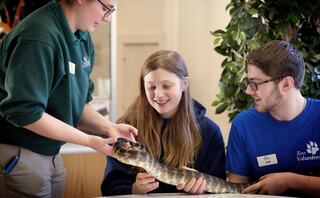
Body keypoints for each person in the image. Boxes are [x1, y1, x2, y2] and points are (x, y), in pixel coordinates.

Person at [0, 0, 137, 197]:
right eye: (105, 8)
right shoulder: (39, 36)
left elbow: (77, 103)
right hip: (21, 152)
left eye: (112, 11)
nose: (107, 19)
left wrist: (108, 127)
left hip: (52, 153)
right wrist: (89, 140)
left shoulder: (82, 35)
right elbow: (25, 113)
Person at [101, 50, 226, 195]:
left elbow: (220, 189)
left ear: (184, 83)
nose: (158, 94)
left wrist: (202, 189)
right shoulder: (126, 129)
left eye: (167, 86)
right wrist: (133, 189)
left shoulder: (209, 131)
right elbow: (109, 189)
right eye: (151, 87)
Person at [225, 40, 320, 197]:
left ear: (286, 84)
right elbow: (236, 192)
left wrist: (289, 181)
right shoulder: (243, 125)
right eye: (249, 83)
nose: (248, 90)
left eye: (256, 83)